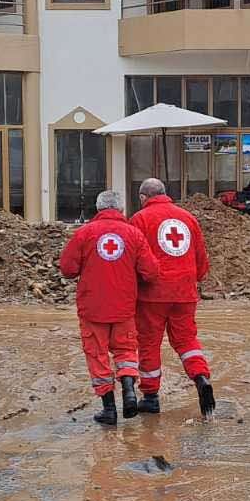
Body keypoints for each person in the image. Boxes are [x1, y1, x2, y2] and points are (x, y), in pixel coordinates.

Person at [58, 189, 158, 426]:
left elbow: (67, 269)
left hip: (93, 307)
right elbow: (151, 271)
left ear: (98, 209)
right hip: (124, 306)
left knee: (97, 354)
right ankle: (129, 391)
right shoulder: (134, 234)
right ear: (121, 210)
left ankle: (109, 409)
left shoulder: (84, 234)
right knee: (125, 351)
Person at [130, 177, 216, 418]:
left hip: (152, 295)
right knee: (187, 341)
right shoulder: (188, 218)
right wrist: (192, 279)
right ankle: (200, 377)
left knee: (149, 343)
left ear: (143, 197)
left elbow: (134, 259)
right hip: (184, 293)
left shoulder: (140, 219)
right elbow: (201, 261)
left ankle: (150, 397)